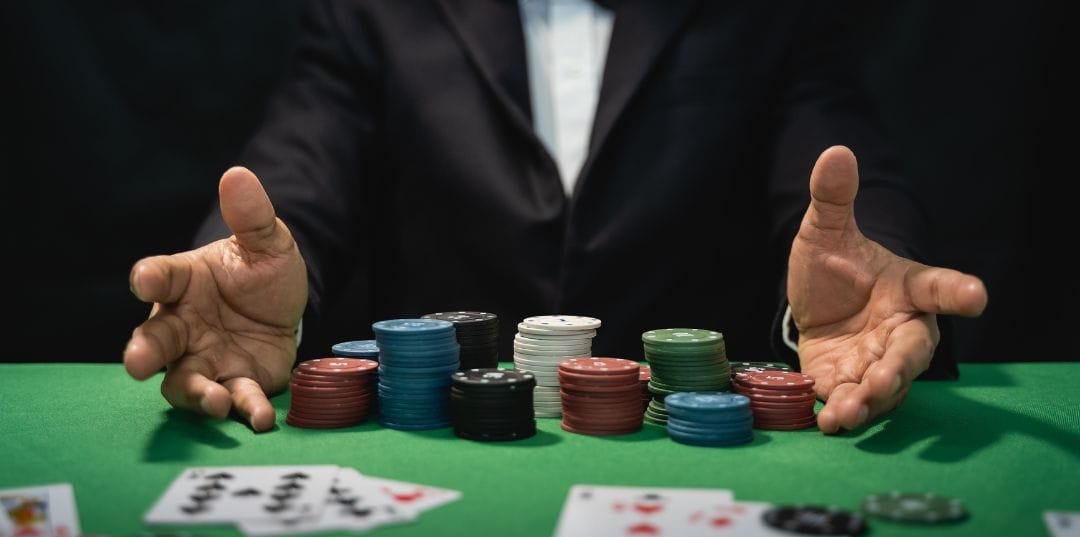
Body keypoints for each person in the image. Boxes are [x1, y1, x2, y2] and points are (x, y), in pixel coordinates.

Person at [122, 0, 987, 435]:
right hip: (453, 441)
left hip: (685, 440)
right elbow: (300, 160)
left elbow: (839, 163)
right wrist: (237, 266)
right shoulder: (372, 8)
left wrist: (878, 260)